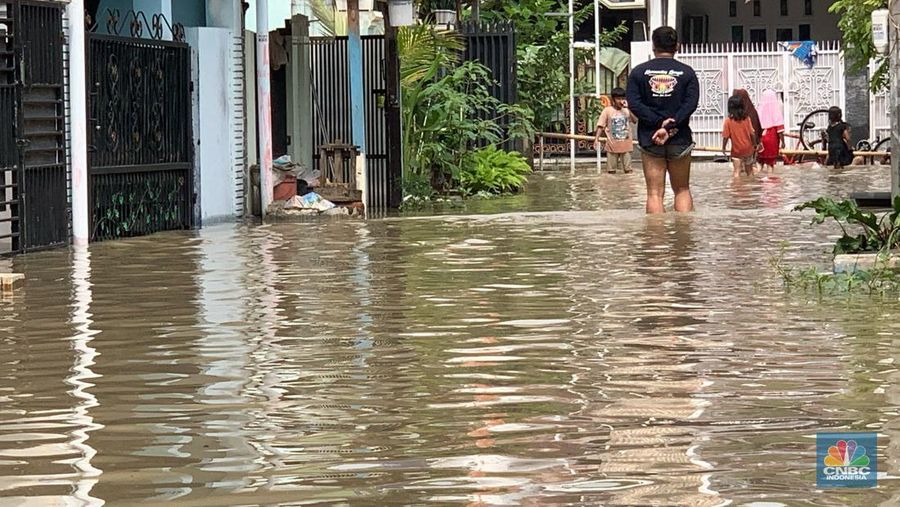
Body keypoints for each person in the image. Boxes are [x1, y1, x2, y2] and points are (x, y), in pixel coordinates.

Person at [626, 26, 700, 214]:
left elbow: (634, 104)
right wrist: (669, 125)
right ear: (678, 46)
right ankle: (683, 238)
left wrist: (658, 124)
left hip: (650, 138)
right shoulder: (688, 73)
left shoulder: (638, 73)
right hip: (679, 138)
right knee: (682, 189)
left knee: (654, 193)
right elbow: (690, 105)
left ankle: (656, 240)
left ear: (653, 46)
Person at [595, 87, 636, 174]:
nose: (620, 101)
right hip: (612, 146)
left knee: (628, 171)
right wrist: (596, 139)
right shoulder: (607, 111)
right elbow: (600, 125)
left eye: (622, 98)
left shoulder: (626, 110)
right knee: (611, 172)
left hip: (626, 146)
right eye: (618, 99)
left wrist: (628, 108)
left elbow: (635, 121)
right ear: (613, 99)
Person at [722, 95, 758, 178]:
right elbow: (752, 133)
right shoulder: (747, 119)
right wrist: (755, 145)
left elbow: (725, 137)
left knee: (736, 172)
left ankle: (736, 189)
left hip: (736, 151)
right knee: (750, 172)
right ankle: (751, 188)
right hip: (748, 150)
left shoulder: (728, 121)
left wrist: (723, 147)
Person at [757, 89, 785, 173]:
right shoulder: (776, 110)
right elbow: (780, 130)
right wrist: (783, 142)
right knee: (770, 164)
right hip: (772, 140)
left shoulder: (758, 110)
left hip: (761, 140)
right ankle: (770, 182)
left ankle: (756, 181)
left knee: (759, 162)